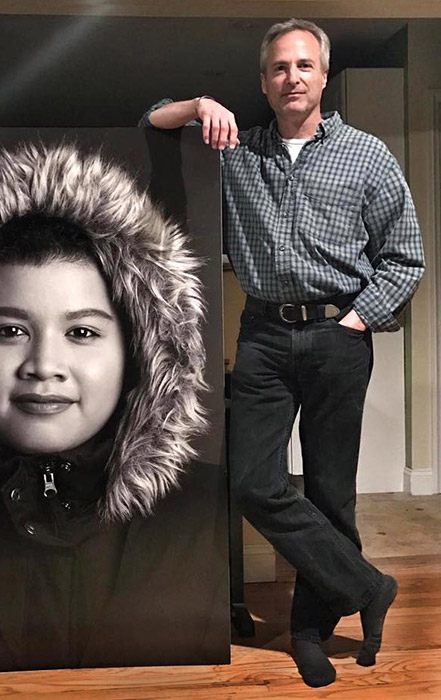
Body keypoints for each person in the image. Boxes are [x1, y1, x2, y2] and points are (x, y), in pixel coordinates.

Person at [0, 142, 228, 681]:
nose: (44, 365)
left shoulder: (211, 513)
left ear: (139, 349)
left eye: (81, 332)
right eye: (9, 331)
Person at [140, 18, 425, 688]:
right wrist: (197, 106)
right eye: (276, 68)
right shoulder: (234, 147)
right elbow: (151, 120)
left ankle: (306, 631)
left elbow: (402, 256)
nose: (290, 77)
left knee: (330, 493)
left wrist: (358, 319)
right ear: (262, 83)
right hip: (264, 337)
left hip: (338, 338)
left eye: (302, 65)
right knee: (251, 484)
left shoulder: (367, 155)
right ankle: (366, 584)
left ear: (322, 75)